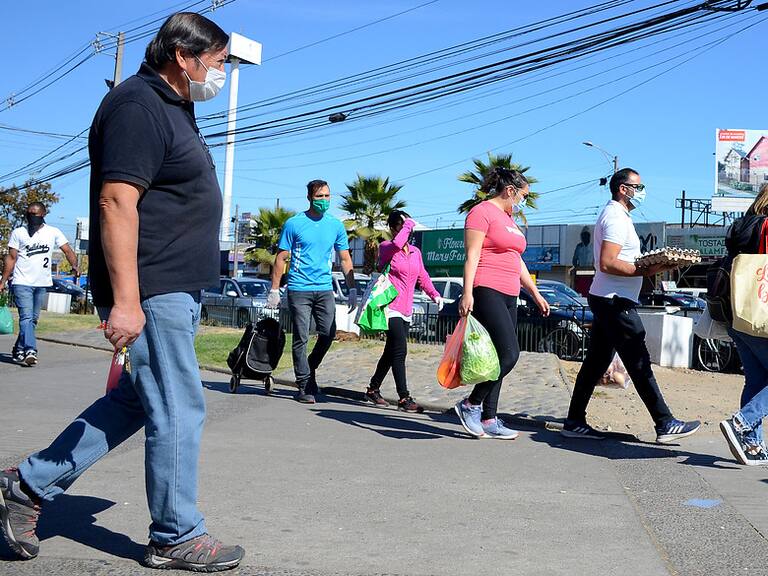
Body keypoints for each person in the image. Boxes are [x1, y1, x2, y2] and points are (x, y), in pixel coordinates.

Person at [0, 13, 245, 571]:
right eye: (218, 60)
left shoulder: (172, 107)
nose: (221, 71)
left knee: (139, 399)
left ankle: (26, 487)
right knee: (180, 405)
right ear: (183, 56)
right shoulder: (138, 105)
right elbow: (117, 202)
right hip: (153, 284)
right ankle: (176, 534)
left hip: (171, 285)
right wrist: (129, 300)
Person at [561, 168, 700, 443]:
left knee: (595, 363)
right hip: (614, 301)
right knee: (639, 362)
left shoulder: (619, 216)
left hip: (608, 298)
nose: (642, 191)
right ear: (623, 189)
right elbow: (607, 262)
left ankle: (574, 421)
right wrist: (645, 272)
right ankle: (664, 423)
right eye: (638, 186)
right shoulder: (614, 217)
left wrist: (655, 265)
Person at [455, 167, 550, 439]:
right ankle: (470, 404)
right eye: (522, 195)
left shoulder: (508, 218)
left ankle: (489, 418)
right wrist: (467, 292)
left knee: (498, 357)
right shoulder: (481, 212)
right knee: (510, 354)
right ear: (509, 190)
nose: (522, 201)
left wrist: (535, 292)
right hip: (487, 288)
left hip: (510, 294)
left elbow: (517, 259)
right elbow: (472, 255)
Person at [268, 180, 356, 404]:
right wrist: (275, 289)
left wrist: (352, 288)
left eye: (327, 196)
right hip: (299, 288)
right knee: (301, 336)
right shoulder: (294, 224)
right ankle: (304, 384)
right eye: (320, 197)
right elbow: (281, 258)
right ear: (309, 197)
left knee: (328, 333)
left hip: (324, 288)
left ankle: (310, 366)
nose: (324, 201)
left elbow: (345, 258)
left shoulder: (335, 225)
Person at [365, 210, 444, 412]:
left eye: (408, 225)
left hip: (407, 309)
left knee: (390, 352)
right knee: (400, 350)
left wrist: (434, 294)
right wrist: (407, 224)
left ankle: (373, 389)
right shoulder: (387, 248)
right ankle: (404, 397)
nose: (407, 229)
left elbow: (422, 276)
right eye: (401, 226)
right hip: (390, 307)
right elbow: (398, 243)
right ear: (393, 228)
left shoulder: (415, 252)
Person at [719, 183, 768, 465]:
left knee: (756, 379)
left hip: (737, 313)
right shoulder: (766, 227)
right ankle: (741, 423)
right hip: (762, 314)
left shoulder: (740, 225)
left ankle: (751, 447)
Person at [0, 202, 80, 366]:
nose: (31, 217)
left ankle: (18, 349)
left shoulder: (53, 232)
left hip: (42, 283)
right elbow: (11, 258)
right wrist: (3, 280)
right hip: (22, 282)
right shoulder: (19, 232)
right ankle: (30, 350)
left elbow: (67, 250)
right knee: (26, 317)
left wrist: (74, 265)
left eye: (35, 214)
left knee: (33, 319)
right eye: (29, 213)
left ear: (43, 215)